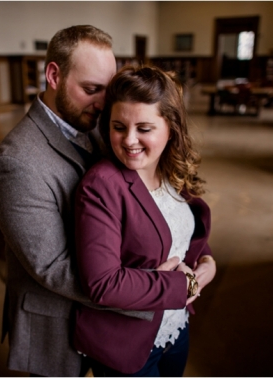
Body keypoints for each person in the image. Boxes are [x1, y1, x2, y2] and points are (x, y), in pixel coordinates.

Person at [0, 26, 177, 377]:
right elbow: (52, 267)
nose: (103, 102)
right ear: (54, 75)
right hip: (57, 319)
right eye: (91, 89)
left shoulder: (98, 125)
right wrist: (145, 287)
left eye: (107, 89)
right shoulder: (15, 162)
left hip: (108, 317)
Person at [73, 65, 217, 376]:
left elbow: (179, 232)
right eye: (119, 126)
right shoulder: (102, 185)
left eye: (144, 128)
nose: (129, 140)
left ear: (170, 127)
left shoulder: (172, 172)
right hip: (128, 344)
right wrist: (185, 283)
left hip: (175, 327)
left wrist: (207, 259)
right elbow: (103, 283)